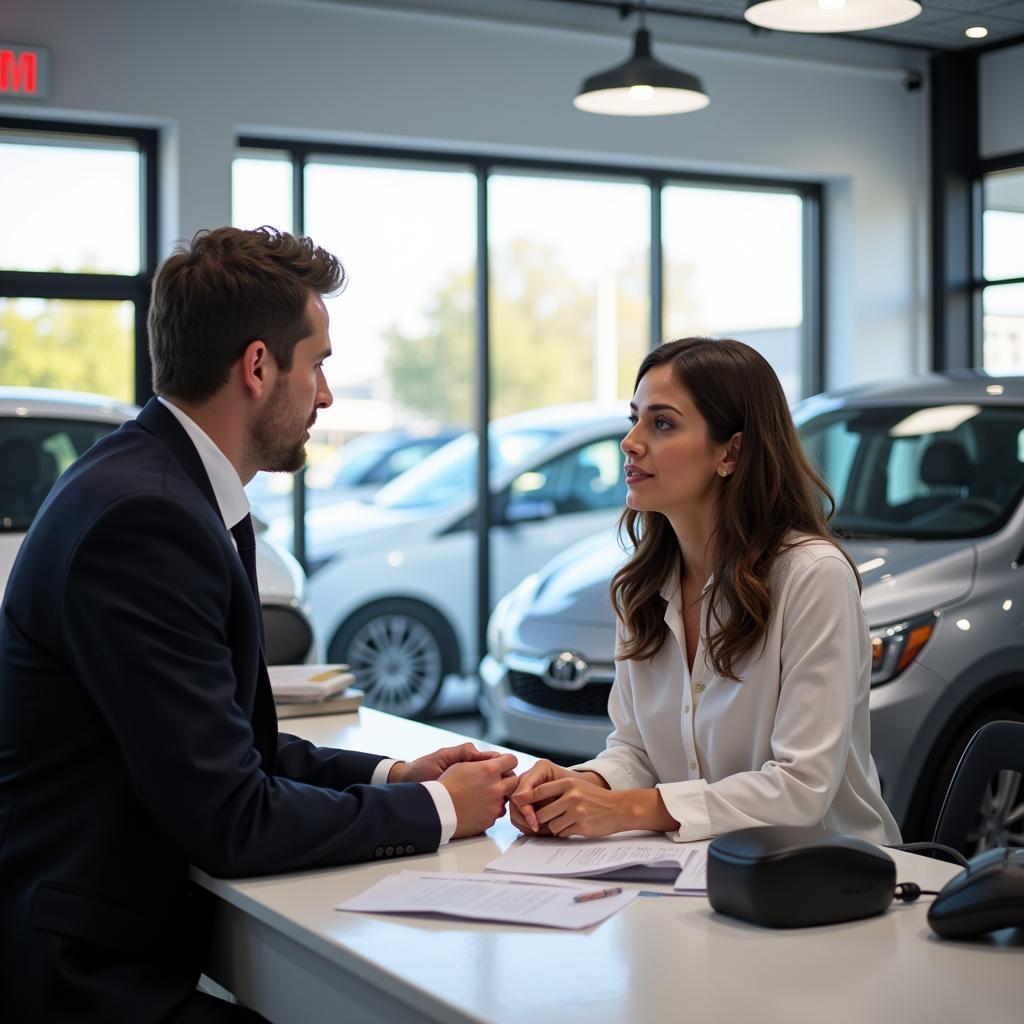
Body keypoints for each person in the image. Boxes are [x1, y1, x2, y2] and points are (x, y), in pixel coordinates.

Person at [0, 226, 517, 1024]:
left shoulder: (160, 482)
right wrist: (443, 810)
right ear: (256, 366)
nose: (326, 395)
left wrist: (393, 777)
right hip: (83, 972)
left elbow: (226, 742)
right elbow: (230, 817)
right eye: (319, 365)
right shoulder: (149, 517)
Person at [510, 338, 901, 847]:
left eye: (662, 423)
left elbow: (802, 788)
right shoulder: (642, 585)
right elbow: (637, 749)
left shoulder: (812, 575)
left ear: (731, 451)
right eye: (635, 419)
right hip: (701, 869)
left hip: (828, 877)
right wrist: (582, 786)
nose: (630, 441)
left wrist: (625, 808)